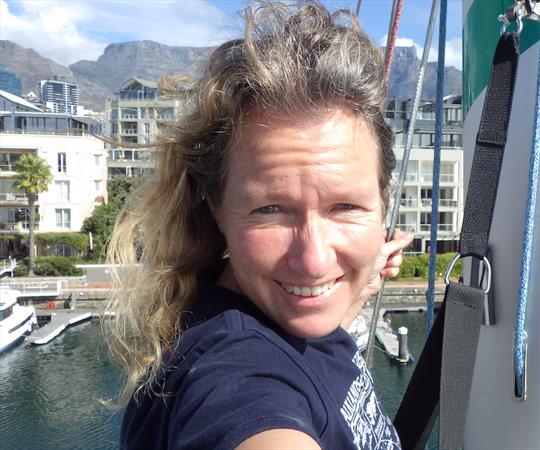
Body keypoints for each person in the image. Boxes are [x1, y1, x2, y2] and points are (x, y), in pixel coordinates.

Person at [106, 2, 413, 448]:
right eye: (270, 210)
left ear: (382, 204)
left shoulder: (284, 315)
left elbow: (319, 334)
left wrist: (360, 274)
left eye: (346, 206)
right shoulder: (231, 374)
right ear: (214, 208)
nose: (313, 261)